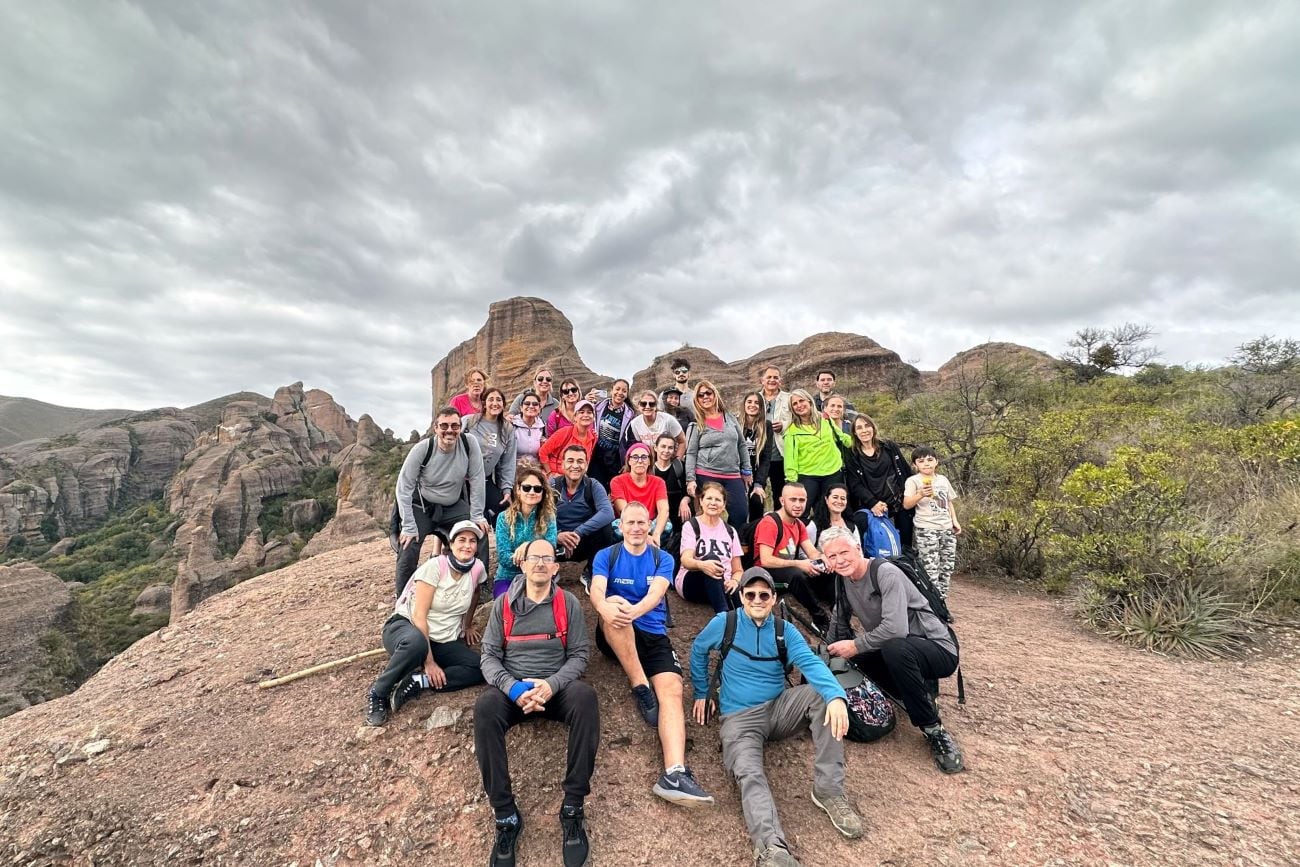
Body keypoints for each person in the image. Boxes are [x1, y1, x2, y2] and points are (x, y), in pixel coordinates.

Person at [690, 568, 862, 866]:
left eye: (764, 594)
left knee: (822, 696)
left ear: (773, 598)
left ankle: (828, 790)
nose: (757, 599)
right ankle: (771, 848)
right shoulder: (725, 623)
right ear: (741, 596)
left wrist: (835, 695)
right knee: (750, 773)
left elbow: (810, 662)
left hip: (780, 708)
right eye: (750, 594)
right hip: (740, 719)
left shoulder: (785, 630)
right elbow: (698, 650)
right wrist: (701, 691)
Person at [475, 539, 597, 867]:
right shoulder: (503, 606)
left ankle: (572, 806)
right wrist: (513, 689)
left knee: (585, 698)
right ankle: (505, 816)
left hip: (554, 690)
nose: (541, 563)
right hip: (512, 691)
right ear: (524, 565)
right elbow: (488, 656)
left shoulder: (568, 603)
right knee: (485, 709)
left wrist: (551, 685)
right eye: (534, 558)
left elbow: (580, 654)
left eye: (547, 558)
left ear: (556, 568)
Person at [589, 502, 715, 806]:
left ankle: (674, 772)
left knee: (672, 690)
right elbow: (596, 588)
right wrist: (605, 607)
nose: (635, 528)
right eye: (630, 522)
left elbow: (656, 594)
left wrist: (635, 611)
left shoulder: (662, 558)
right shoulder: (607, 555)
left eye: (641, 523)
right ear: (620, 526)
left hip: (653, 632)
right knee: (615, 603)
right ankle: (639, 685)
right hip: (615, 628)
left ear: (649, 526)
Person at [820, 526, 965, 774]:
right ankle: (916, 688)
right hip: (899, 649)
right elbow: (838, 623)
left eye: (844, 552)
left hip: (937, 648)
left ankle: (933, 729)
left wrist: (854, 645)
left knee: (893, 649)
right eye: (832, 557)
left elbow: (896, 630)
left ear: (858, 548)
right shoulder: (843, 580)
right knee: (858, 659)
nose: (839, 560)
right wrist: (825, 654)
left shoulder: (885, 572)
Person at [366, 520, 488, 726]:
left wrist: (467, 625)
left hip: (442, 638)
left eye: (472, 541)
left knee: (479, 668)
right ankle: (378, 693)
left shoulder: (477, 568)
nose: (467, 545)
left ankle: (417, 682)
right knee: (416, 643)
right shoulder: (435, 566)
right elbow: (419, 616)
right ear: (450, 544)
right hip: (407, 628)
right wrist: (429, 663)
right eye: (461, 540)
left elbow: (475, 592)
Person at [393, 407, 488, 597]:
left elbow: (477, 478)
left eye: (454, 425)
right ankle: (403, 595)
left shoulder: (469, 444)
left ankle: (480, 588)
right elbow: (403, 487)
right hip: (423, 506)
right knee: (409, 544)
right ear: (435, 428)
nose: (449, 430)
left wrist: (477, 515)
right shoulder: (423, 449)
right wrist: (409, 525)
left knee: (479, 532)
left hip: (453, 505)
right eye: (444, 426)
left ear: (460, 427)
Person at [752, 484, 830, 630]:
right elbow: (765, 559)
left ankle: (838, 613)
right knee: (797, 574)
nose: (798, 505)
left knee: (829, 569)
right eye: (793, 500)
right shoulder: (770, 523)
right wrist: (799, 564)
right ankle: (819, 618)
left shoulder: (799, 524)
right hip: (767, 574)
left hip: (789, 569)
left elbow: (811, 552)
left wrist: (824, 558)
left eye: (802, 500)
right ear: (782, 501)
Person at [685, 379, 752, 531]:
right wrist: (690, 479)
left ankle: (733, 545)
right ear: (697, 400)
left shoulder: (730, 417)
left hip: (732, 474)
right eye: (701, 395)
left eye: (708, 393)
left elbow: (741, 444)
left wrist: (746, 470)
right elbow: (691, 452)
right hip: (707, 473)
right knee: (710, 514)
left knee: (740, 513)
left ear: (715, 395)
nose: (705, 397)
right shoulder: (697, 423)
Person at [842, 414, 915, 548]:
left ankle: (906, 565)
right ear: (854, 432)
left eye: (867, 426)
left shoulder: (889, 447)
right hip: (870, 505)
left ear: (873, 428)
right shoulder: (852, 454)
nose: (864, 430)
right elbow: (855, 485)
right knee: (878, 546)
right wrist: (873, 503)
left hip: (898, 502)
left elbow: (905, 471)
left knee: (906, 545)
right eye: (859, 428)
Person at [903, 447, 962, 600]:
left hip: (946, 528)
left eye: (930, 460)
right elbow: (906, 504)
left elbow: (948, 502)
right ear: (915, 464)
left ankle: (941, 602)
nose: (926, 464)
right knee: (930, 569)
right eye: (921, 461)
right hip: (926, 529)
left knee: (947, 567)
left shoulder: (943, 480)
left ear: (936, 461)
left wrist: (954, 521)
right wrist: (920, 494)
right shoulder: (913, 481)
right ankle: (932, 604)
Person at [675, 482, 743, 613]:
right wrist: (703, 565)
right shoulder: (692, 525)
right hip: (694, 581)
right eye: (709, 498)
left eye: (718, 500)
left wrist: (734, 581)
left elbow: (738, 569)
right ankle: (723, 614)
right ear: (701, 501)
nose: (713, 503)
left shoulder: (730, 531)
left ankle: (745, 622)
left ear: (723, 505)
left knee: (738, 592)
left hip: (723, 585)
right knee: (712, 559)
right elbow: (686, 560)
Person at [550, 446, 616, 577]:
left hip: (582, 542)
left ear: (586, 465)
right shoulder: (551, 485)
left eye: (580, 461)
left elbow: (608, 512)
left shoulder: (593, 485)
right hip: (555, 543)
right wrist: (555, 535)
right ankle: (549, 569)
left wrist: (577, 533)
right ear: (562, 464)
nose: (575, 465)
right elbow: (537, 516)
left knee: (606, 527)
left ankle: (592, 571)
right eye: (570, 461)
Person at [493, 468, 559, 598]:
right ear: (518, 490)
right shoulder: (503, 517)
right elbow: (503, 557)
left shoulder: (548, 517)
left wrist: (528, 546)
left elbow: (551, 549)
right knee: (504, 601)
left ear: (542, 492)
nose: (532, 492)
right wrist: (534, 556)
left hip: (539, 575)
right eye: (527, 487)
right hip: (507, 576)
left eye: (537, 489)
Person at [783, 388, 851, 507]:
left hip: (833, 472)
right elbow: (790, 461)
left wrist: (864, 440)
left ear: (809, 401)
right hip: (808, 476)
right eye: (795, 404)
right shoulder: (791, 431)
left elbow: (841, 437)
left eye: (801, 401)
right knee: (803, 510)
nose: (799, 405)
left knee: (835, 509)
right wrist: (792, 483)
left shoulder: (825, 419)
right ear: (792, 409)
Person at [464, 387, 516, 527]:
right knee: (469, 518)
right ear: (484, 403)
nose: (495, 403)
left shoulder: (507, 429)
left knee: (504, 510)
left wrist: (506, 489)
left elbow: (508, 463)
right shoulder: (469, 422)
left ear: (503, 404)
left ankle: (504, 547)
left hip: (484, 480)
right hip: (462, 480)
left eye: (499, 400)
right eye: (491, 399)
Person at [609, 442, 670, 546]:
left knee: (667, 527)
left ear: (650, 461)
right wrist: (645, 537)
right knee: (616, 529)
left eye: (644, 457)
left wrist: (656, 534)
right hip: (628, 522)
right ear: (629, 461)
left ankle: (658, 556)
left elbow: (663, 510)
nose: (640, 461)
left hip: (649, 523)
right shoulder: (617, 481)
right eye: (635, 457)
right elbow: (624, 511)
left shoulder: (659, 482)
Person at [590, 379, 635, 488]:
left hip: (615, 461)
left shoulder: (630, 415)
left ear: (627, 394)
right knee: (595, 489)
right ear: (611, 390)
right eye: (617, 389)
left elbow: (631, 441)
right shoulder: (598, 407)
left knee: (613, 492)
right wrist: (587, 400)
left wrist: (627, 462)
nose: (620, 393)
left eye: (624, 391)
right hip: (597, 458)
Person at [538, 400, 597, 477]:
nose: (586, 415)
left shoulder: (593, 437)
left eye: (589, 412)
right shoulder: (564, 432)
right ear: (575, 417)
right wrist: (550, 473)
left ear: (593, 417)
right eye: (581, 412)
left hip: (576, 478)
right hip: (558, 477)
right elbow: (543, 452)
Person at [740, 391, 775, 521]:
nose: (753, 405)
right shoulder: (736, 424)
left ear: (761, 407)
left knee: (757, 502)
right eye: (749, 402)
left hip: (756, 475)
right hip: (738, 474)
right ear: (744, 405)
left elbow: (766, 458)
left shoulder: (767, 426)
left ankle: (755, 536)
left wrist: (759, 484)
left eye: (757, 403)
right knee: (739, 509)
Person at [759, 366, 792, 497]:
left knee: (780, 492)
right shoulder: (754, 399)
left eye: (775, 377)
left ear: (780, 381)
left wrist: (783, 425)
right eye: (769, 377)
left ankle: (780, 517)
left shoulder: (789, 398)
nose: (772, 380)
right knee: (757, 492)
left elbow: (796, 419)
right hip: (759, 455)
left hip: (780, 454)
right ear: (762, 380)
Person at [627, 389, 687, 456]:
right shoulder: (635, 423)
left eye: (651, 404)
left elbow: (682, 441)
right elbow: (638, 446)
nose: (647, 406)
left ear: (656, 406)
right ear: (638, 405)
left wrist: (677, 461)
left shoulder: (668, 420)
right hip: (648, 459)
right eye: (643, 404)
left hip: (669, 457)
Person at [651, 433, 692, 527]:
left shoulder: (679, 467)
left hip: (678, 515)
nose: (666, 450)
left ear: (674, 450)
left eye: (670, 448)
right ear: (656, 448)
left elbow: (689, 492)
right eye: (663, 446)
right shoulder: (650, 470)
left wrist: (685, 501)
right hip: (655, 518)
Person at [510, 390, 547, 468]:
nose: (531, 406)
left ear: (539, 409)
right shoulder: (511, 425)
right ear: (521, 408)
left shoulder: (543, 427)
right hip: (514, 470)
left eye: (535, 404)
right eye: (527, 403)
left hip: (536, 470)